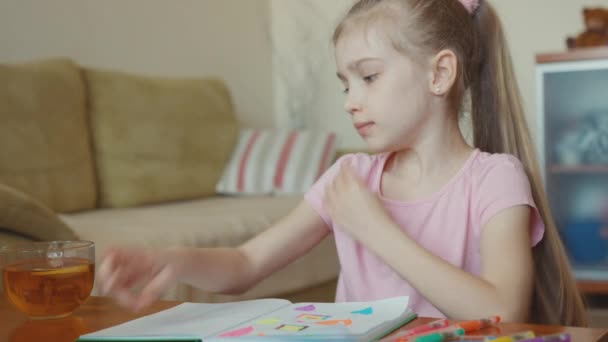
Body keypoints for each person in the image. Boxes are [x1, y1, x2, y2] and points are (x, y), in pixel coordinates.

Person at [97, 0, 587, 326]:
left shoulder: (495, 179)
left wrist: (376, 229)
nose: (351, 101)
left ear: (440, 73)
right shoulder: (348, 179)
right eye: (344, 83)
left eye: (368, 77)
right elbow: (244, 265)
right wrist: (169, 258)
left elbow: (503, 309)